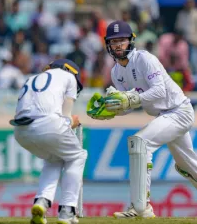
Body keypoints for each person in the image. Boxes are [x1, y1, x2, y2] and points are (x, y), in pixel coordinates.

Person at [87, 20, 197, 219]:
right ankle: (139, 206)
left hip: (179, 111)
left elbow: (159, 91)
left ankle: (140, 208)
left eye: (122, 40)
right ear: (108, 45)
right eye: (113, 41)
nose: (118, 45)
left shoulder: (145, 59)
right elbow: (127, 106)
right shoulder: (116, 72)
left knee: (140, 143)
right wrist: (111, 111)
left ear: (131, 41)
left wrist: (132, 98)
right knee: (189, 166)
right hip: (164, 116)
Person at [10, 59, 87, 224]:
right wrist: (71, 122)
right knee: (78, 156)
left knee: (53, 159)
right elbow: (67, 116)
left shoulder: (32, 78)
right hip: (48, 125)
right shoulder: (69, 77)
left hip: (20, 131)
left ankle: (41, 202)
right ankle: (67, 210)